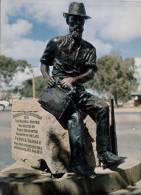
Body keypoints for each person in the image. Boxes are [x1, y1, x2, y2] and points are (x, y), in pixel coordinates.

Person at [40, 2, 122, 178]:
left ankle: (104, 153)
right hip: (59, 90)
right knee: (75, 117)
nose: (77, 25)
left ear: (84, 24)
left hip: (78, 89)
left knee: (103, 107)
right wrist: (50, 80)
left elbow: (91, 72)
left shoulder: (89, 48)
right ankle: (78, 164)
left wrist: (74, 79)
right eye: (73, 21)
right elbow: (44, 64)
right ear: (68, 22)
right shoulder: (56, 42)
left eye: (80, 21)